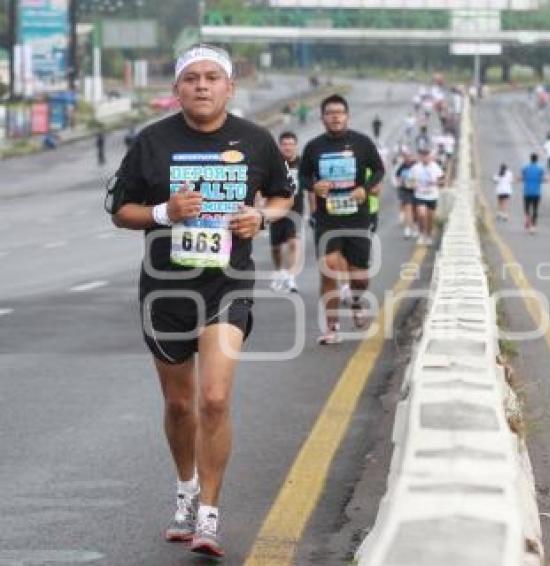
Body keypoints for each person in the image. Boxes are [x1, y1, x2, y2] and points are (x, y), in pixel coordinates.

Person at [110, 44, 293, 558]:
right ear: (177, 89)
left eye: (213, 77)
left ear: (230, 87)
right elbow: (120, 210)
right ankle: (186, 489)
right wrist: (166, 213)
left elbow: (283, 195)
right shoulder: (152, 143)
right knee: (179, 403)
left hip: (226, 283)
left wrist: (262, 218)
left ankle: (209, 515)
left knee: (214, 397)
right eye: (192, 78)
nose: (202, 85)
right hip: (166, 287)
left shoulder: (256, 142)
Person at [301, 94, 385, 344]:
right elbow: (303, 176)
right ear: (322, 118)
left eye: (340, 112)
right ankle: (331, 326)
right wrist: (314, 186)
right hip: (327, 219)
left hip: (357, 218)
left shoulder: (362, 143)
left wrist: (366, 188)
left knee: (360, 278)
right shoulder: (314, 147)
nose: (335, 117)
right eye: (330, 113)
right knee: (329, 270)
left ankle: (356, 299)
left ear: (347, 116)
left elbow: (379, 169)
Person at [269, 131, 304, 293]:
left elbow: (311, 185)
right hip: (276, 208)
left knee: (293, 242)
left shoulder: (302, 163)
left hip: (295, 209)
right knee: (276, 247)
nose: (288, 147)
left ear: (295, 146)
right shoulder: (274, 163)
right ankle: (278, 272)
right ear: (280, 146)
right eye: (285, 144)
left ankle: (291, 276)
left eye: (291, 144)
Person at [410, 147, 444, 245]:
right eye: (423, 156)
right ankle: (421, 234)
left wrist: (435, 182)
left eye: (427, 156)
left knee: (430, 217)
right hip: (420, 195)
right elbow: (410, 181)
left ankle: (428, 235)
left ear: (430, 156)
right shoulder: (415, 168)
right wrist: (413, 185)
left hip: (432, 195)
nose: (425, 158)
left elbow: (442, 181)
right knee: (421, 215)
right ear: (420, 157)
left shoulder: (436, 167)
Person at [395, 149, 418, 238]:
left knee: (415, 211)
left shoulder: (416, 166)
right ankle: (408, 228)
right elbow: (397, 177)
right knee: (408, 209)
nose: (407, 158)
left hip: (416, 191)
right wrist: (400, 182)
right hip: (405, 191)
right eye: (405, 157)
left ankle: (415, 226)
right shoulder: (401, 167)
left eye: (409, 156)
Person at [520, 153, 545, 234]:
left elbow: (523, 177)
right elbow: (542, 179)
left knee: (527, 207)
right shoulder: (540, 169)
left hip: (527, 191)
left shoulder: (525, 168)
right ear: (537, 159)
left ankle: (527, 218)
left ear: (530, 159)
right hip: (536, 192)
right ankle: (533, 226)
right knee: (535, 209)